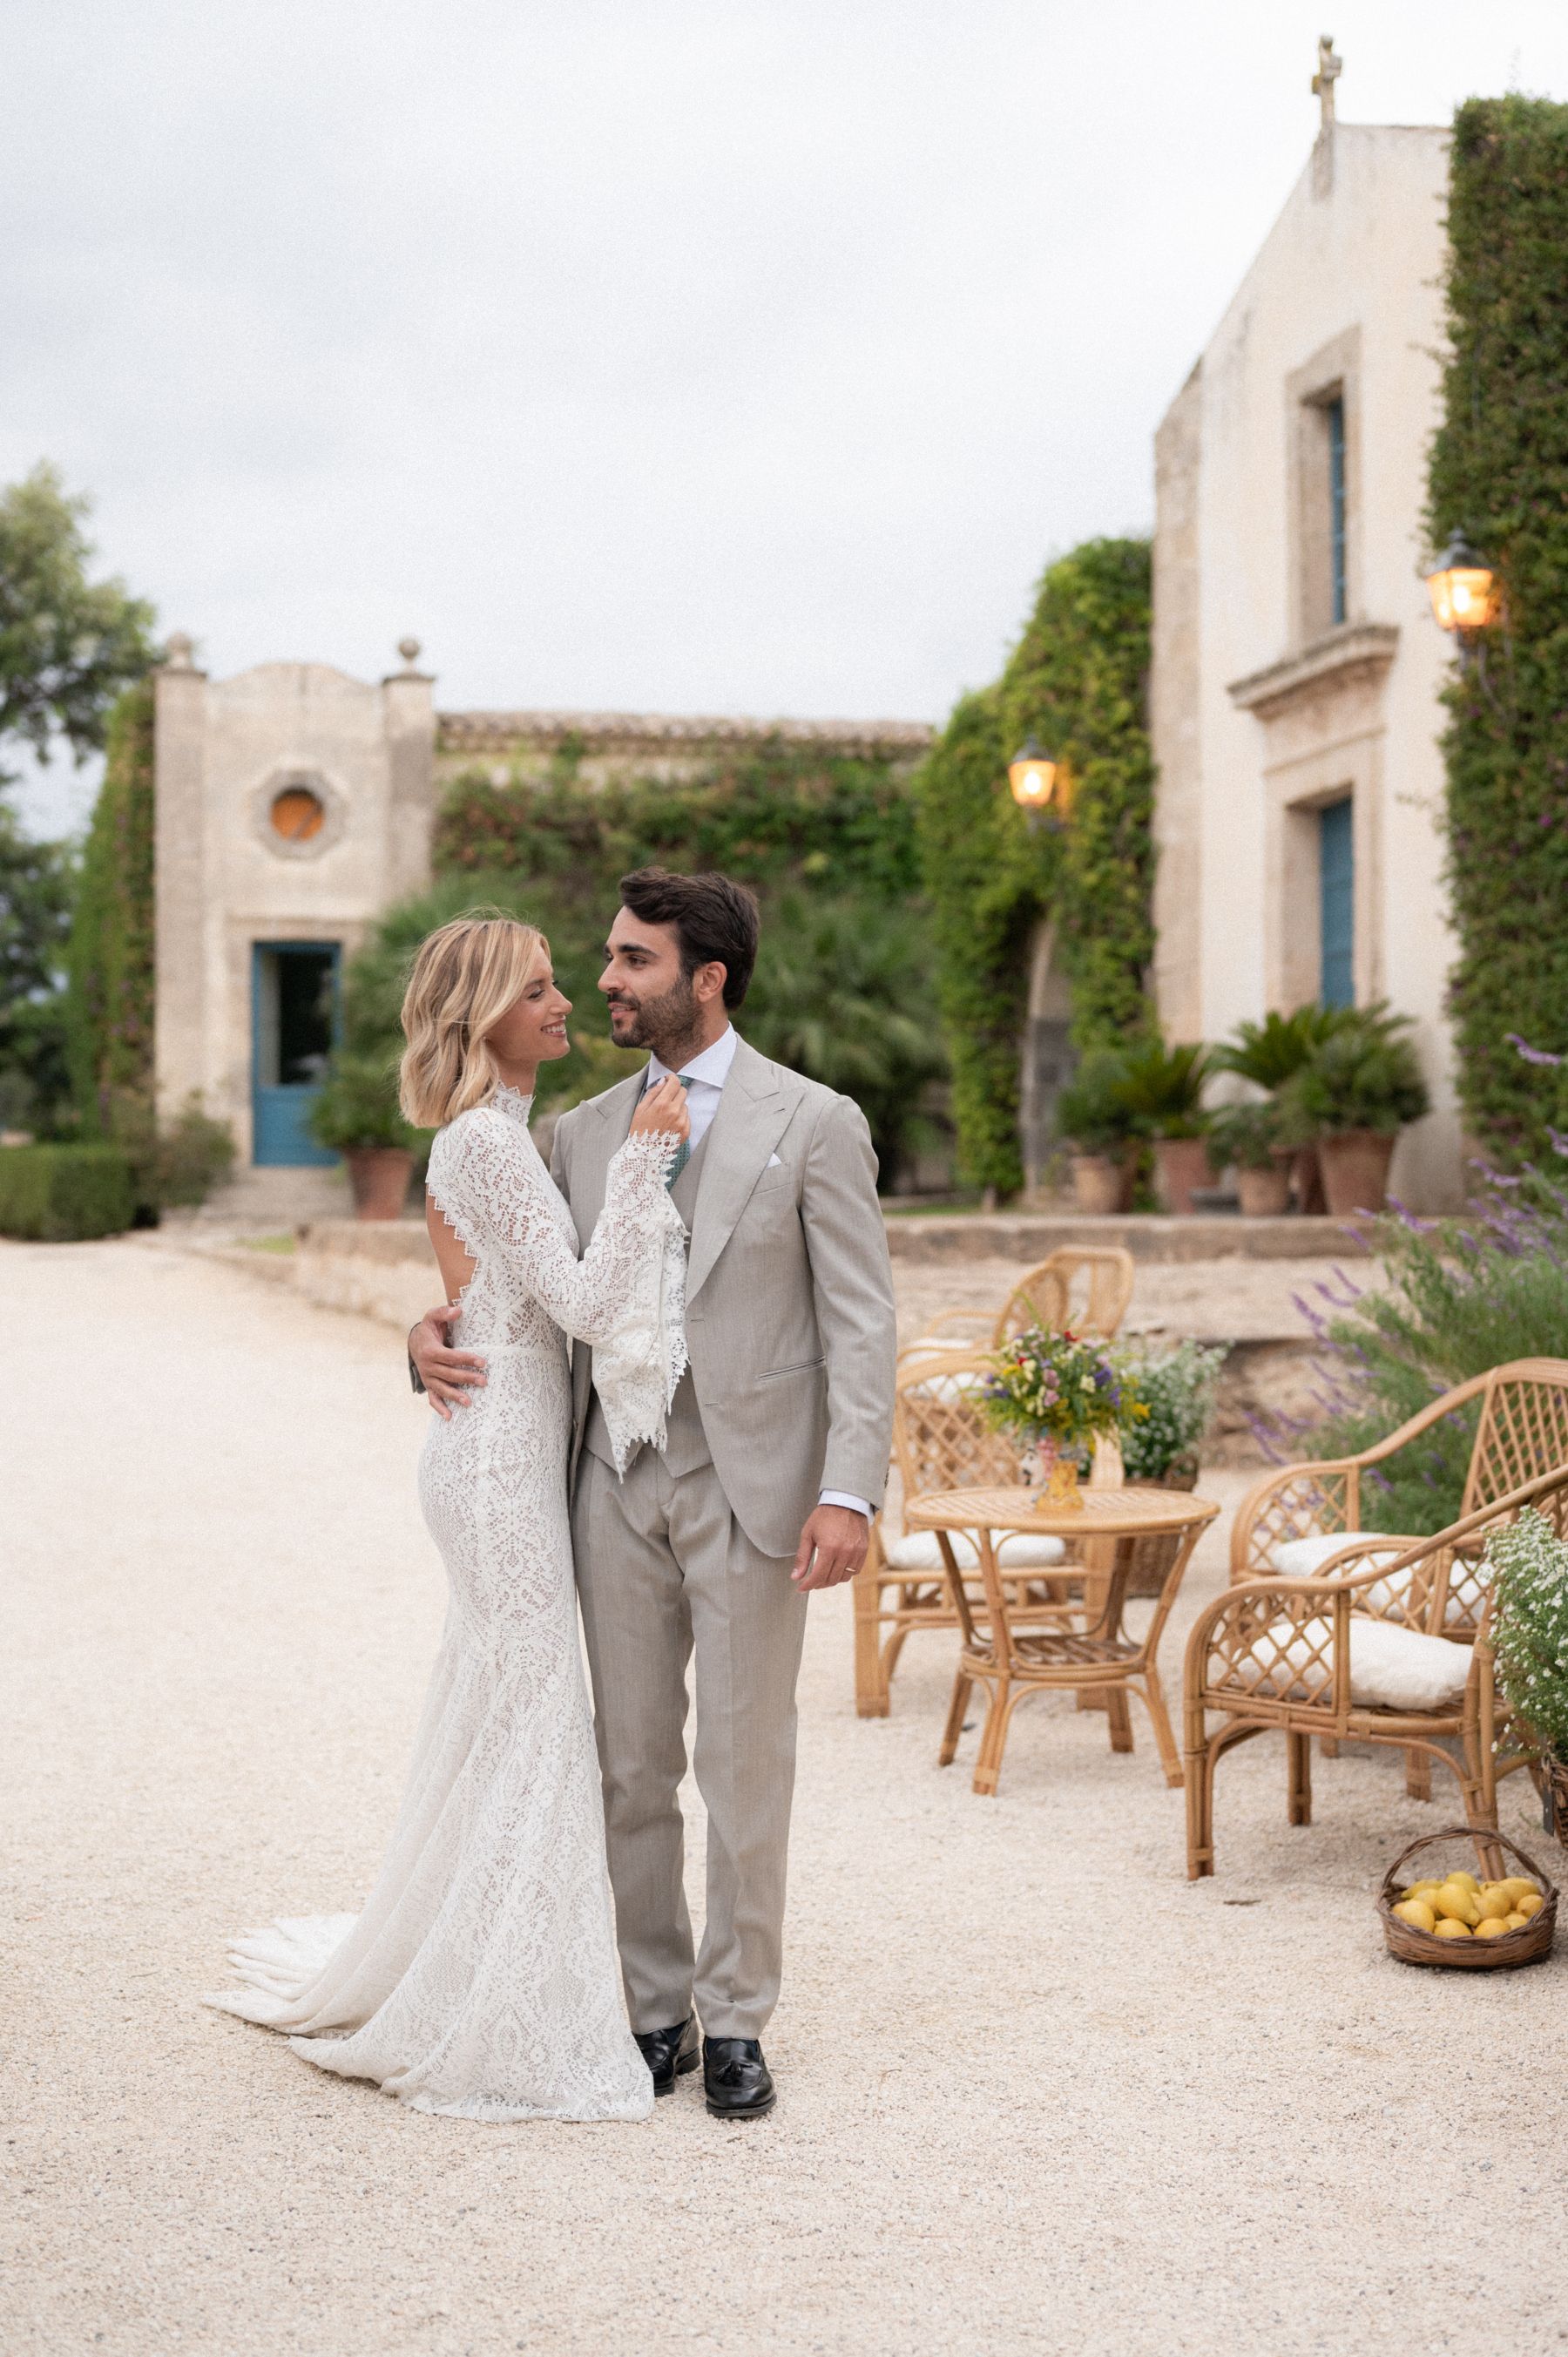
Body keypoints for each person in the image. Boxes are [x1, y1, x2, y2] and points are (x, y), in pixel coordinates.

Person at [412, 870, 897, 2119]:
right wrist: (421, 1337)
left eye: (631, 961)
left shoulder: (815, 1119)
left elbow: (861, 1323)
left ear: (706, 977)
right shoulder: (569, 1133)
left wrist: (848, 1490)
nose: (606, 982)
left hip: (753, 1491)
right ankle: (650, 2007)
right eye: (603, 962)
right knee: (627, 1766)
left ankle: (738, 2019)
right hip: (605, 1480)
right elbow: (513, 1293)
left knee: (745, 1766)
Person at [207, 914, 691, 2122]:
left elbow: (482, 1296)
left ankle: (485, 1958)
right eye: (537, 988)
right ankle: (517, 2007)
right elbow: (581, 1303)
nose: (565, 998)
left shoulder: (497, 1138)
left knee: (504, 1712)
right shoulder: (485, 1139)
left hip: (497, 1447)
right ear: (484, 1016)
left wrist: (437, 1327)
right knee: (537, 1719)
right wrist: (645, 1160)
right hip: (493, 1468)